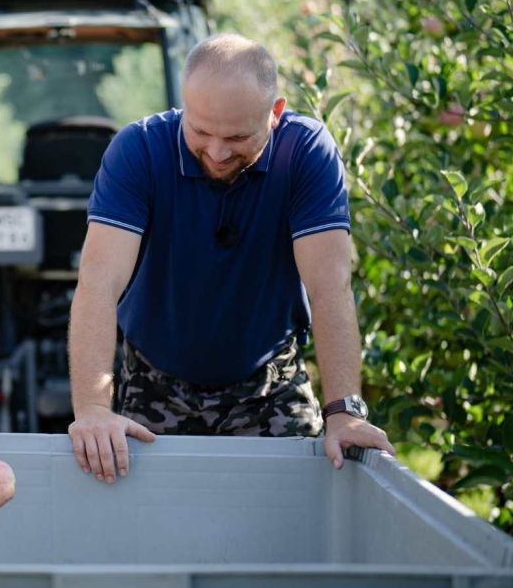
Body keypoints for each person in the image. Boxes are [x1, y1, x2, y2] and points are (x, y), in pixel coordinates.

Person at [67, 33, 393, 484]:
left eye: (238, 136)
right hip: (153, 381)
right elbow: (99, 281)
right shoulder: (138, 151)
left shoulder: (306, 153)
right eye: (200, 131)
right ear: (184, 104)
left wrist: (344, 411)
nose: (217, 153)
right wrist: (92, 410)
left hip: (269, 383)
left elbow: (330, 286)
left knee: (294, 520)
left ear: (275, 113)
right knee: (154, 528)